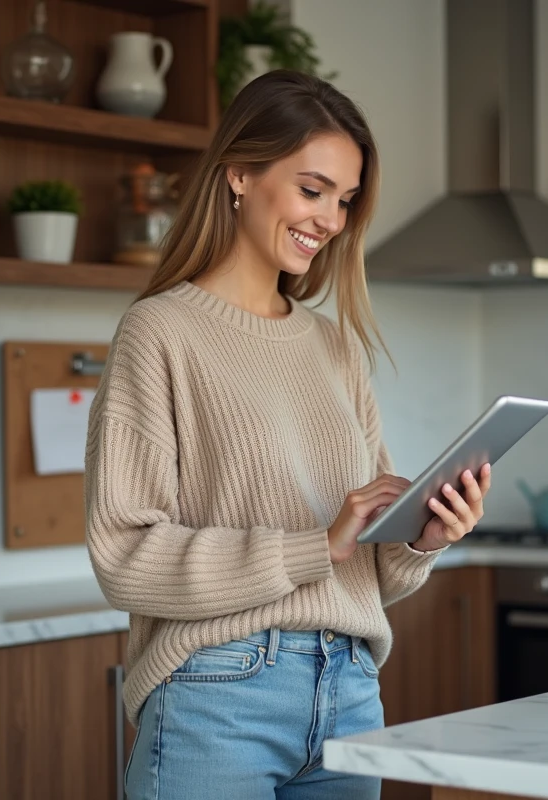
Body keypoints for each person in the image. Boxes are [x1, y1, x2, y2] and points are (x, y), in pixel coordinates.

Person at [84, 69, 492, 800]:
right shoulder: (161, 333)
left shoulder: (335, 347)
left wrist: (420, 537)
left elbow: (370, 566)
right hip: (218, 694)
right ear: (239, 173)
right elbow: (125, 555)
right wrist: (317, 544)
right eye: (313, 190)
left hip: (351, 693)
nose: (331, 219)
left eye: (345, 199)